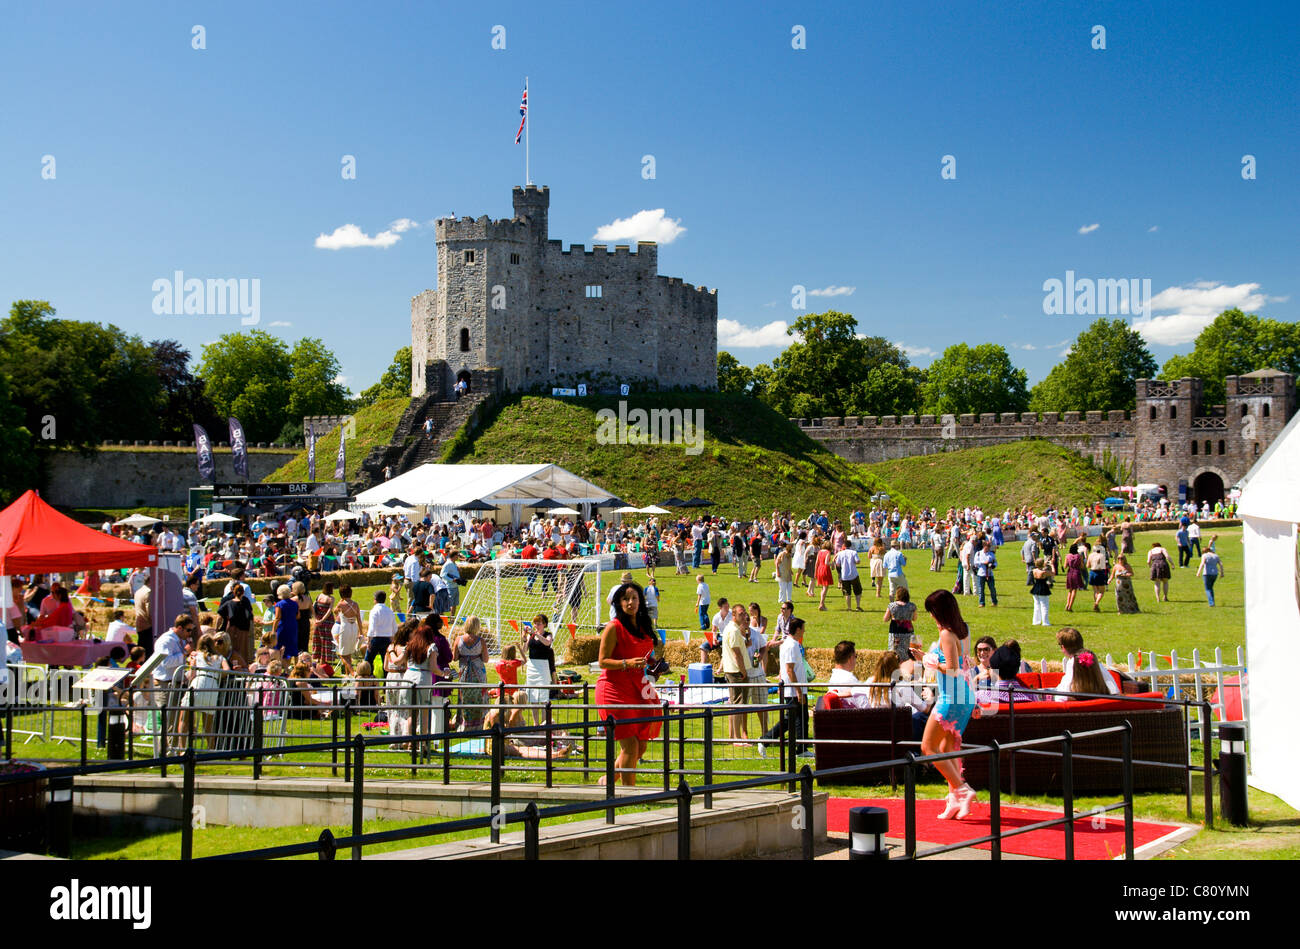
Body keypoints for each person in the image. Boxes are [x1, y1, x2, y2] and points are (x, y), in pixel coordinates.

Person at [595, 582, 663, 786]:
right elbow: (602, 661)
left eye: (634, 598)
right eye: (625, 599)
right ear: (619, 603)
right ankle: (628, 795)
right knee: (630, 746)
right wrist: (626, 663)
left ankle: (608, 779)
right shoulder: (613, 627)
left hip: (638, 685)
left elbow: (641, 654)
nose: (630, 602)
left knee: (640, 745)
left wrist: (653, 663)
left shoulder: (643, 626)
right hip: (613, 688)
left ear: (640, 600)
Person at [919, 590, 979, 820]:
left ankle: (962, 790)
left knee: (928, 748)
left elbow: (952, 669)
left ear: (938, 612)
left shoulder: (946, 634)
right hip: (964, 697)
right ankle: (955, 798)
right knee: (947, 749)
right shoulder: (963, 629)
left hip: (950, 698)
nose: (931, 617)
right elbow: (962, 663)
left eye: (932, 613)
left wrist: (929, 662)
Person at [762, 617, 811, 759]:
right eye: (803, 629)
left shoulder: (791, 644)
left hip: (796, 688)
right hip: (794, 690)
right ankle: (765, 740)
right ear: (797, 630)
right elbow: (789, 669)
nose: (804, 631)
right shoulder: (791, 645)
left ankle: (801, 748)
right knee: (789, 720)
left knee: (801, 718)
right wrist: (798, 691)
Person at [1053, 627, 1120, 699]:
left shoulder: (1072, 663)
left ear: (1063, 647)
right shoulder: (1095, 661)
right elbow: (1114, 690)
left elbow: (1061, 695)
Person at [721, 603, 753, 742]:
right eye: (740, 613)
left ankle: (733, 735)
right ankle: (737, 738)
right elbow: (737, 654)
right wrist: (743, 671)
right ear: (733, 615)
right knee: (738, 705)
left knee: (735, 703)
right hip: (736, 672)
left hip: (734, 670)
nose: (744, 615)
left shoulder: (733, 629)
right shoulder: (733, 630)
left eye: (744, 613)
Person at [452, 616, 488, 729]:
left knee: (464, 697)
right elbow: (486, 659)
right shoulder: (481, 641)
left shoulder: (459, 639)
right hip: (478, 671)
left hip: (464, 671)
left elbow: (454, 657)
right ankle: (480, 724)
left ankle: (464, 723)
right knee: (480, 697)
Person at [384, 621, 414, 749]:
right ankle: (404, 737)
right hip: (402, 677)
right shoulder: (406, 649)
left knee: (392, 709)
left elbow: (386, 667)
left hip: (390, 678)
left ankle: (393, 738)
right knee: (404, 709)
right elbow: (406, 665)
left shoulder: (390, 647)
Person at [524, 614, 555, 727]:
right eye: (535, 623)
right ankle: (535, 723)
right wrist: (524, 638)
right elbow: (524, 650)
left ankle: (544, 722)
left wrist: (536, 634)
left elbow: (547, 643)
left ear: (544, 624)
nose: (536, 625)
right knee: (533, 696)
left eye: (539, 623)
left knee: (543, 695)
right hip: (532, 666)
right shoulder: (531, 636)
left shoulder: (548, 635)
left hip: (543, 666)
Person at [828, 640, 872, 707]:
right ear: (850, 658)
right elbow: (865, 705)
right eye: (855, 656)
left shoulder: (834, 677)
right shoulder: (849, 679)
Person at [364, 590, 396, 673]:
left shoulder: (374, 611)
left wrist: (368, 641)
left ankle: (368, 679)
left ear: (375, 599)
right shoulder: (390, 611)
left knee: (368, 661)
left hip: (376, 638)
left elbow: (372, 627)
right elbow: (394, 628)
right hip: (387, 639)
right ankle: (386, 682)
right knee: (386, 662)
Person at [884, 587, 917, 660]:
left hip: (895, 632)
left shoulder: (892, 605)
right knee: (909, 653)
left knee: (894, 653)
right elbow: (914, 618)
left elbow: (885, 619)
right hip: (908, 631)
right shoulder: (912, 606)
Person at [333, 585, 362, 660]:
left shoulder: (341, 604)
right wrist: (361, 632)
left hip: (345, 628)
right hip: (354, 628)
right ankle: (347, 672)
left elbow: (335, 611)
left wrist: (340, 600)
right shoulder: (356, 604)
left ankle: (351, 672)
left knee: (343, 653)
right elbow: (359, 619)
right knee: (349, 652)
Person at [273, 584, 300, 658]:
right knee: (293, 645)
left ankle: (283, 664)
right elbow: (298, 616)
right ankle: (294, 664)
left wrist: (273, 630)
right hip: (293, 626)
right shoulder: (295, 603)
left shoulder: (279, 604)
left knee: (280, 645)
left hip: (283, 627)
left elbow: (277, 618)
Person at [834, 542, 863, 611]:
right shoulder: (853, 552)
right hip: (853, 574)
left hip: (844, 575)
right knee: (858, 591)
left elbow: (837, 564)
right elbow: (857, 561)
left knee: (847, 592)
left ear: (844, 546)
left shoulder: (840, 553)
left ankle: (849, 607)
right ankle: (858, 606)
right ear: (851, 545)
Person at [1029, 556, 1055, 626]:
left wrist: (1044, 564)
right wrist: (1052, 565)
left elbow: (1039, 567)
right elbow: (1053, 573)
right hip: (1043, 588)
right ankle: (1045, 622)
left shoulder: (1034, 570)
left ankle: (1036, 621)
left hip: (1036, 587)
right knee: (1044, 605)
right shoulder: (1044, 572)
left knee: (1036, 605)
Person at [973, 540, 998, 607]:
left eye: (989, 547)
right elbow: (975, 563)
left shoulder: (991, 554)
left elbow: (995, 562)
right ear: (984, 546)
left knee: (992, 588)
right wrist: (983, 563)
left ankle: (994, 602)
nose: (988, 548)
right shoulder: (978, 553)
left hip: (990, 574)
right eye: (987, 546)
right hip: (981, 573)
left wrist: (993, 565)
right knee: (981, 589)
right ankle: (982, 603)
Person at [1063, 542, 1085, 612]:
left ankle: (1067, 604)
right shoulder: (1079, 556)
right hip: (1076, 572)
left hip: (1070, 572)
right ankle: (1070, 606)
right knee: (1074, 590)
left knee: (1070, 589)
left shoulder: (1068, 556)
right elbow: (1082, 566)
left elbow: (1065, 566)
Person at [1086, 544, 1108, 612]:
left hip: (1092, 572)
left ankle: (1097, 607)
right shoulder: (1101, 556)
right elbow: (1103, 566)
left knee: (1095, 591)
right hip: (1099, 573)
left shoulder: (1090, 555)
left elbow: (1088, 565)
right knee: (1102, 591)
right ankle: (1096, 603)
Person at [813, 542, 833, 611]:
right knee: (825, 588)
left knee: (823, 588)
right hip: (825, 570)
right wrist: (832, 564)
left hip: (819, 569)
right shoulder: (828, 552)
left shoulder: (820, 552)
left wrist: (815, 573)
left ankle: (823, 604)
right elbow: (826, 563)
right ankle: (821, 604)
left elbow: (816, 563)